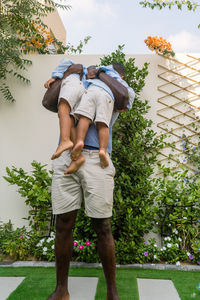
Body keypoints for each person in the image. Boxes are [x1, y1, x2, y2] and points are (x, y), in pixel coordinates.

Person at [44, 63, 134, 300]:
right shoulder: (76, 82)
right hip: (67, 157)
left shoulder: (117, 86)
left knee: (102, 225)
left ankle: (112, 293)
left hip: (97, 160)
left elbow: (124, 98)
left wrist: (101, 74)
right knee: (63, 222)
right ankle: (61, 289)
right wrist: (68, 74)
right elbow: (48, 101)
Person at [44, 60, 130, 173]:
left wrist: (56, 76)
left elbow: (127, 100)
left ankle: (80, 141)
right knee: (100, 123)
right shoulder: (84, 77)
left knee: (80, 117)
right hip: (68, 153)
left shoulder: (96, 80)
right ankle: (101, 150)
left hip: (92, 155)